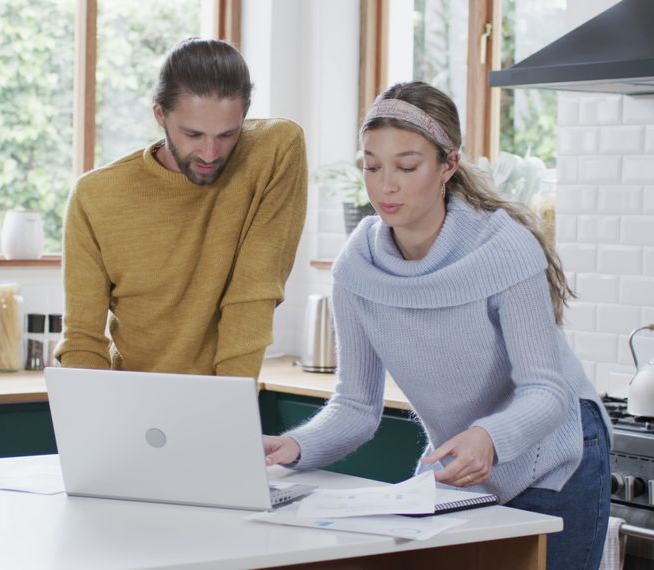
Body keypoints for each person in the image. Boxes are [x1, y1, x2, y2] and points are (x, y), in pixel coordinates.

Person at [262, 82, 611, 570]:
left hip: (552, 456)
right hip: (461, 465)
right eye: (372, 165)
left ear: (448, 166)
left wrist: (489, 437)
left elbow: (546, 391)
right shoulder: (357, 268)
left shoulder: (503, 250)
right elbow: (356, 405)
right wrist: (295, 447)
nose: (386, 185)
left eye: (407, 167)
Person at [55, 38, 307, 378]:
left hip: (222, 396)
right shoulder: (95, 196)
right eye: (193, 134)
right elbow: (82, 338)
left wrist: (229, 404)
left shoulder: (274, 152)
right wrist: (94, 419)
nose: (210, 153)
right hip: (127, 400)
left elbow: (253, 293)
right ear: (160, 113)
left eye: (227, 135)